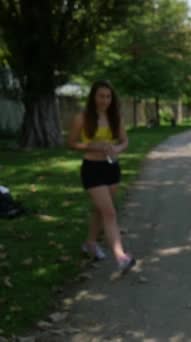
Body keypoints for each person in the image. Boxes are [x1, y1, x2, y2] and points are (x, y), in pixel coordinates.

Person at [67, 80, 136, 274]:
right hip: (92, 169)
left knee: (100, 210)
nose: (104, 100)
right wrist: (91, 146)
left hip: (111, 167)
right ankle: (121, 256)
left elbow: (125, 141)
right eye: (101, 96)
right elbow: (71, 143)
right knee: (110, 212)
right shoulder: (82, 118)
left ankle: (89, 243)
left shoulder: (115, 117)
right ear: (93, 97)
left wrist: (117, 149)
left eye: (108, 96)